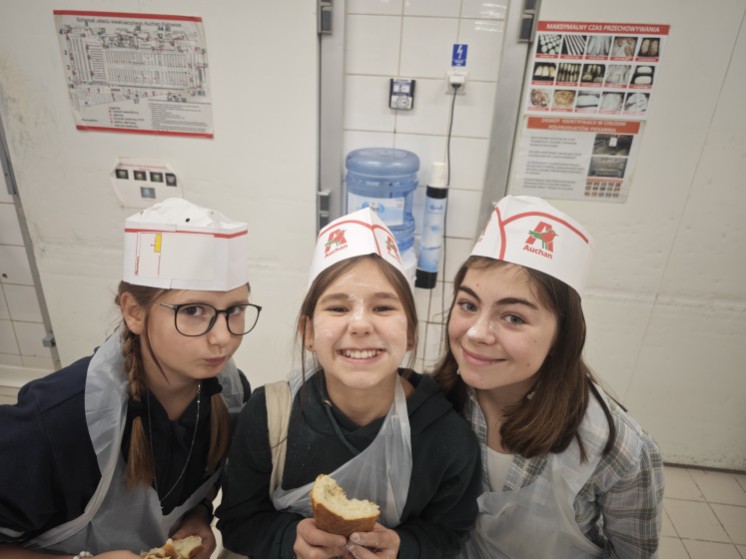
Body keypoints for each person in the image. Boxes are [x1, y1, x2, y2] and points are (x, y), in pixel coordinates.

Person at [0, 198, 258, 559]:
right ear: (134, 312)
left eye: (235, 310)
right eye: (193, 310)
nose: (222, 337)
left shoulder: (229, 393)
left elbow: (201, 483)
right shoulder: (58, 421)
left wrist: (199, 514)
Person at [217, 208, 482, 559]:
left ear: (411, 333)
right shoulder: (268, 416)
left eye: (383, 308)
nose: (360, 325)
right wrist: (289, 538)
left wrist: (403, 547)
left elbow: (450, 535)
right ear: (308, 332)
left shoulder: (447, 439)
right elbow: (237, 523)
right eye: (339, 308)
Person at [432, 195, 665, 558]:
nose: (476, 333)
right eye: (468, 305)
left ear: (562, 336)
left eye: (513, 317)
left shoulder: (618, 449)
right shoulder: (436, 403)